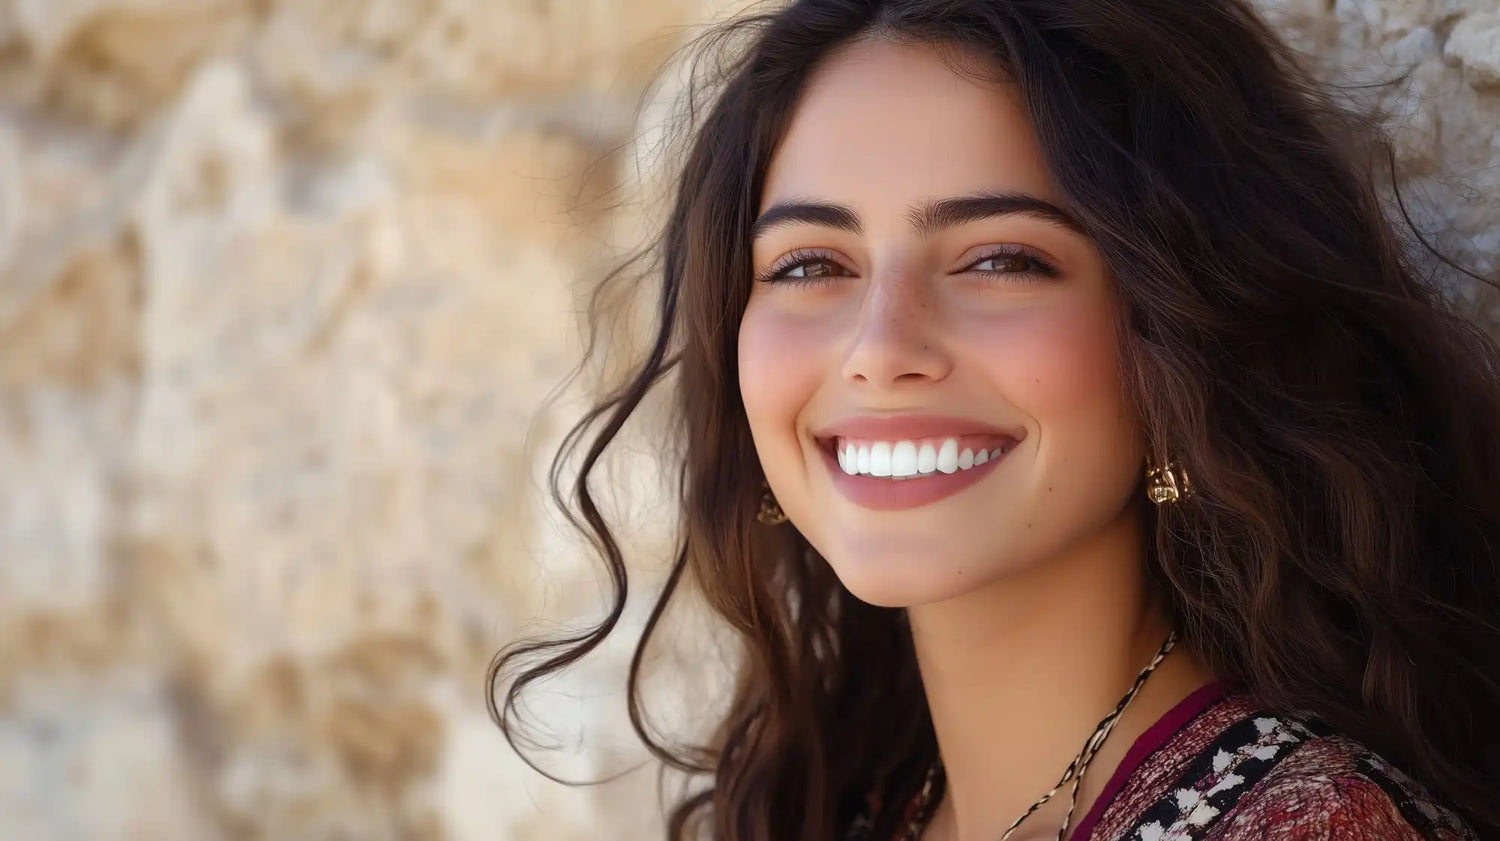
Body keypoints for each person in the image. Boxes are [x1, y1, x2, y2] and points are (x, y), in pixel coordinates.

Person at [491, 1, 1500, 838]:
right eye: (810, 265)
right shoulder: (851, 812)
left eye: (1001, 258)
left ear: (1181, 333)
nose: (880, 347)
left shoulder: (1310, 827)